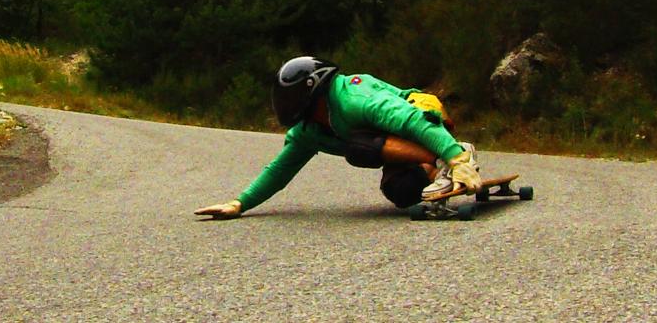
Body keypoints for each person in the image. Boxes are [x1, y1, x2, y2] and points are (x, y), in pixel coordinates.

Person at [194, 56, 482, 219]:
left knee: (359, 147)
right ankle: (438, 170)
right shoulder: (310, 130)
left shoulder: (354, 99)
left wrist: (454, 156)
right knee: (402, 192)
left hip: (423, 114)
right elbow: (280, 170)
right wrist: (240, 203)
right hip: (397, 141)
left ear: (312, 92)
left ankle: (454, 157)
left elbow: (410, 120)